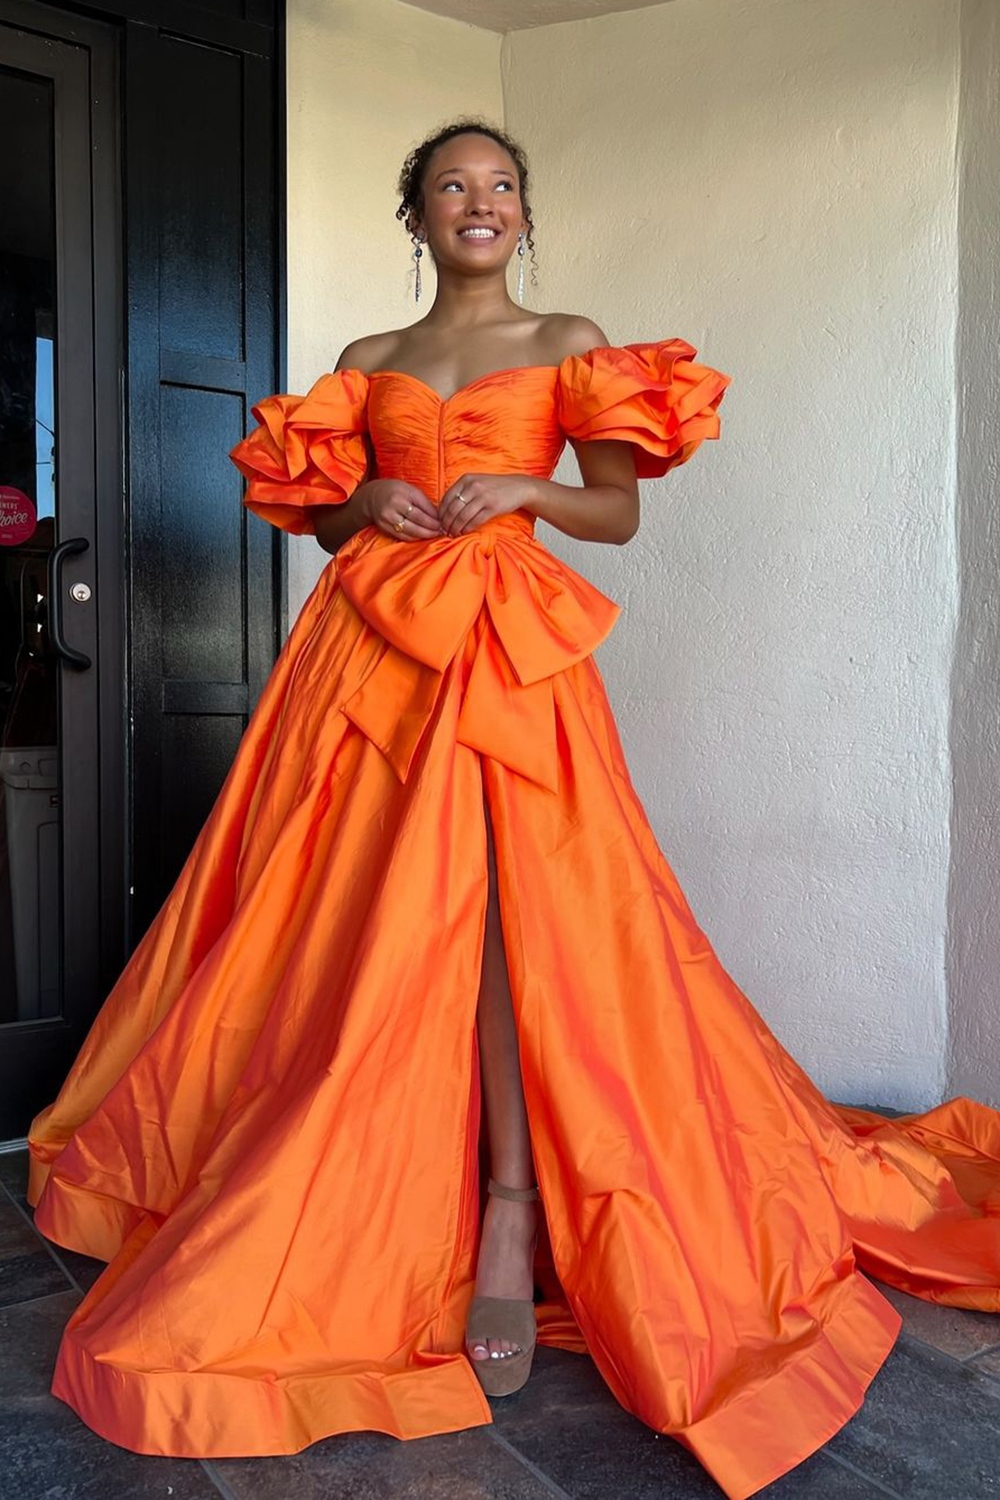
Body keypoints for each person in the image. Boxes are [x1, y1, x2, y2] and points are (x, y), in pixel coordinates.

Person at [24, 118, 1000, 1500]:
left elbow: (617, 516)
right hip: (365, 671)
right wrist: (363, 497)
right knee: (353, 926)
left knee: (503, 923)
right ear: (413, 216)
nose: (477, 203)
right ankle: (369, 1189)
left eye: (499, 187)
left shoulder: (572, 337)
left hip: (508, 661)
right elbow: (317, 519)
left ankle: (507, 1209)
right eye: (450, 187)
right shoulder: (366, 364)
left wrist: (528, 486)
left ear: (522, 215)